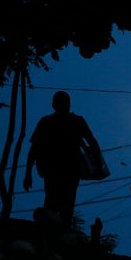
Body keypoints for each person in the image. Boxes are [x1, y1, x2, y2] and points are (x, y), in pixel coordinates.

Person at [23, 91, 101, 230]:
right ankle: (55, 235)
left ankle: (57, 235)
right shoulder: (49, 122)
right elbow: (34, 149)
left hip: (67, 170)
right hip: (56, 170)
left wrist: (98, 164)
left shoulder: (69, 121)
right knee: (57, 204)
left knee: (62, 205)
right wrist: (28, 173)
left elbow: (92, 143)